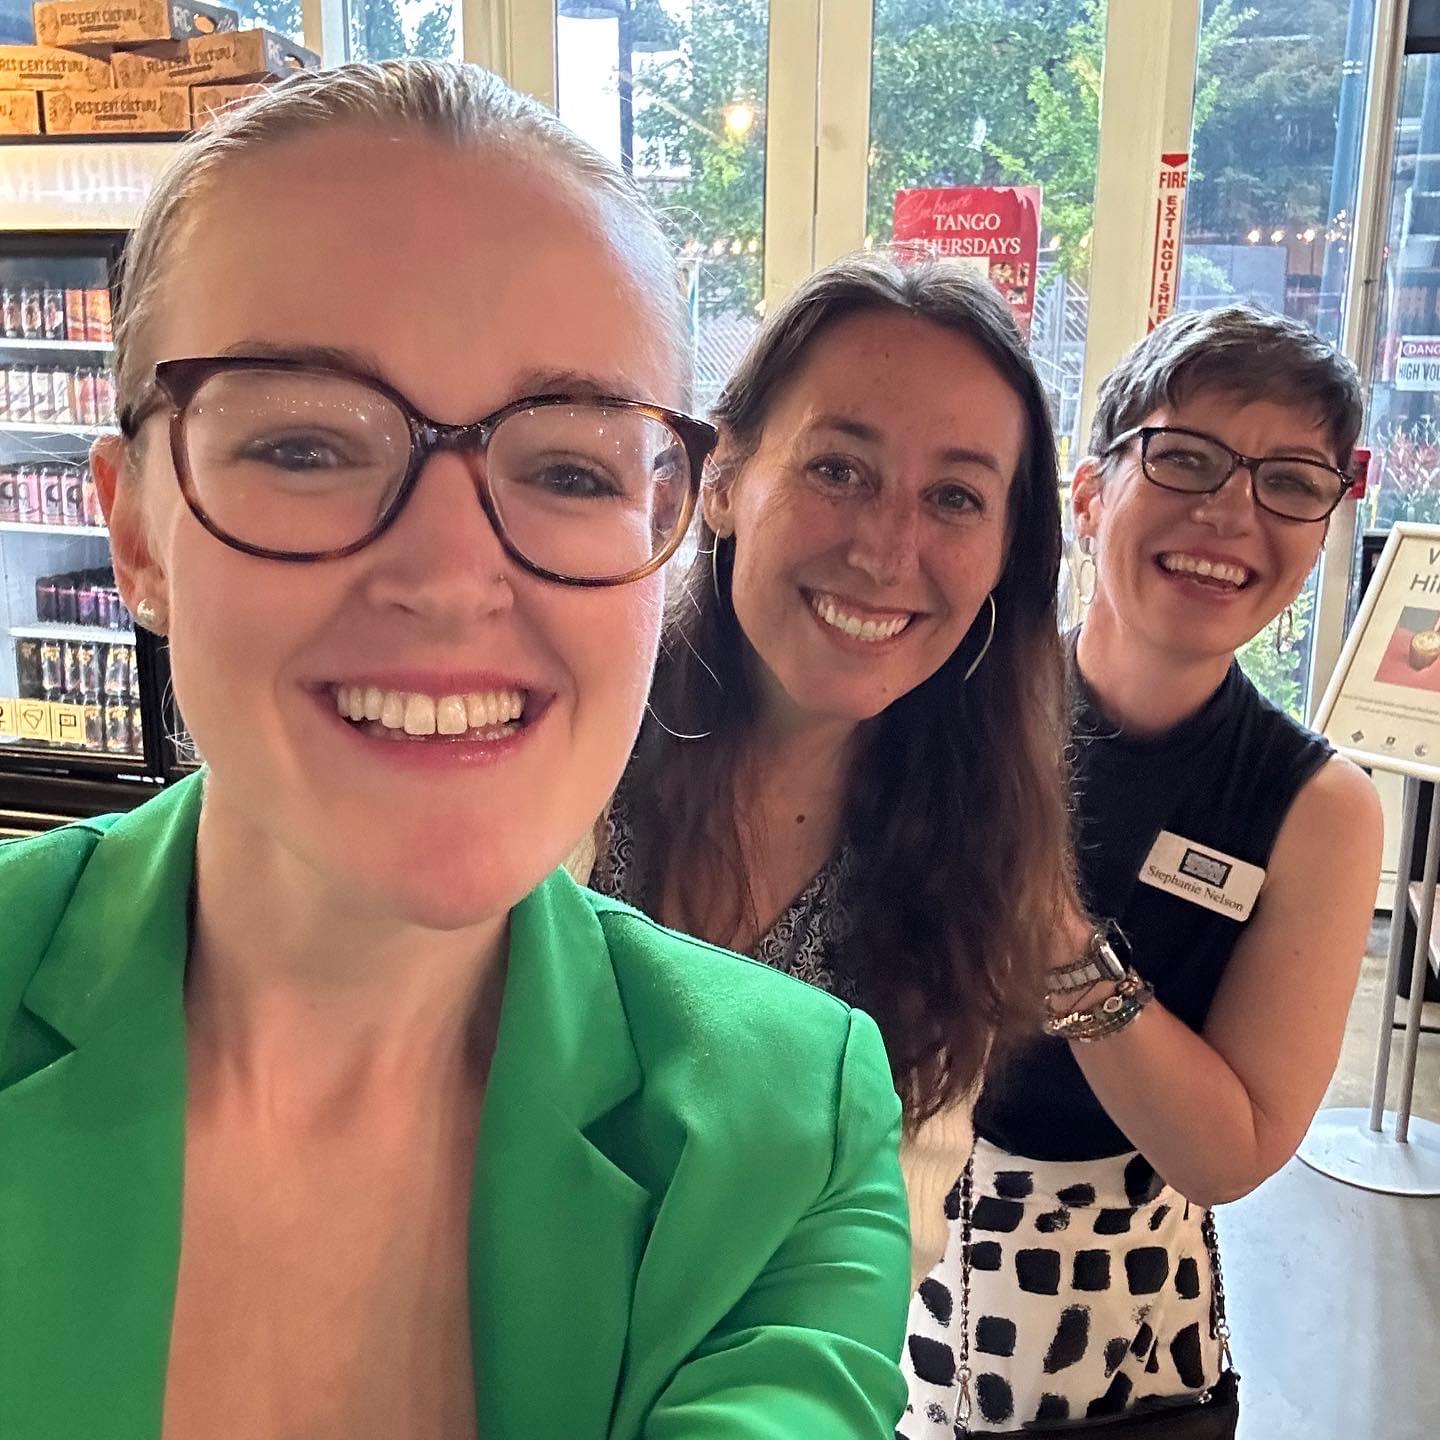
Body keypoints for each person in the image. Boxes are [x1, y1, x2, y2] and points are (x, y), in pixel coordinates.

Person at [0, 63, 914, 1440]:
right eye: (306, 447)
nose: (446, 577)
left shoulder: (786, 1133)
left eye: (571, 469)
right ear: (137, 534)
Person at [902, 305, 1384, 1434]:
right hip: (871, 1290)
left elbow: (1226, 1153)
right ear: (1087, 495)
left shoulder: (1316, 809)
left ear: (1322, 533)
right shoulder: (950, 701)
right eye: (1186, 458)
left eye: (1291, 482)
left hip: (1117, 1348)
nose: (1233, 513)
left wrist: (1059, 943)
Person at [589, 252, 1080, 1285]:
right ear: (722, 481)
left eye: (955, 497)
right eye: (839, 471)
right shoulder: (577, 742)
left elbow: (879, 1249)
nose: (887, 551)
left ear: (1006, 554)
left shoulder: (972, 856)